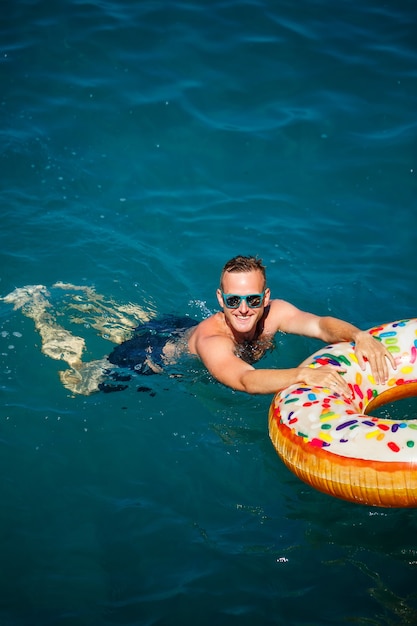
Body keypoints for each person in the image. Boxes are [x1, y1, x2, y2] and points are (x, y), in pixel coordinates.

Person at [186, 255, 396, 397]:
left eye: (253, 300)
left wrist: (358, 335)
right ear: (221, 299)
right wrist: (301, 374)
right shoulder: (212, 340)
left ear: (266, 297)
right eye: (233, 300)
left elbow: (320, 325)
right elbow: (244, 379)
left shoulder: (276, 313)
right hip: (161, 356)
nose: (243, 309)